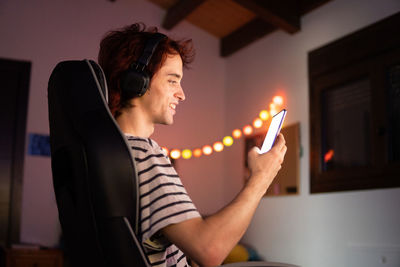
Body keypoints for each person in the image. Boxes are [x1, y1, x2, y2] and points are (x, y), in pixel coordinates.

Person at [98, 23, 287, 267]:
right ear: (136, 81)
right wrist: (261, 177)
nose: (182, 94)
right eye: (172, 81)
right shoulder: (144, 155)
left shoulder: (113, 153)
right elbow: (210, 250)